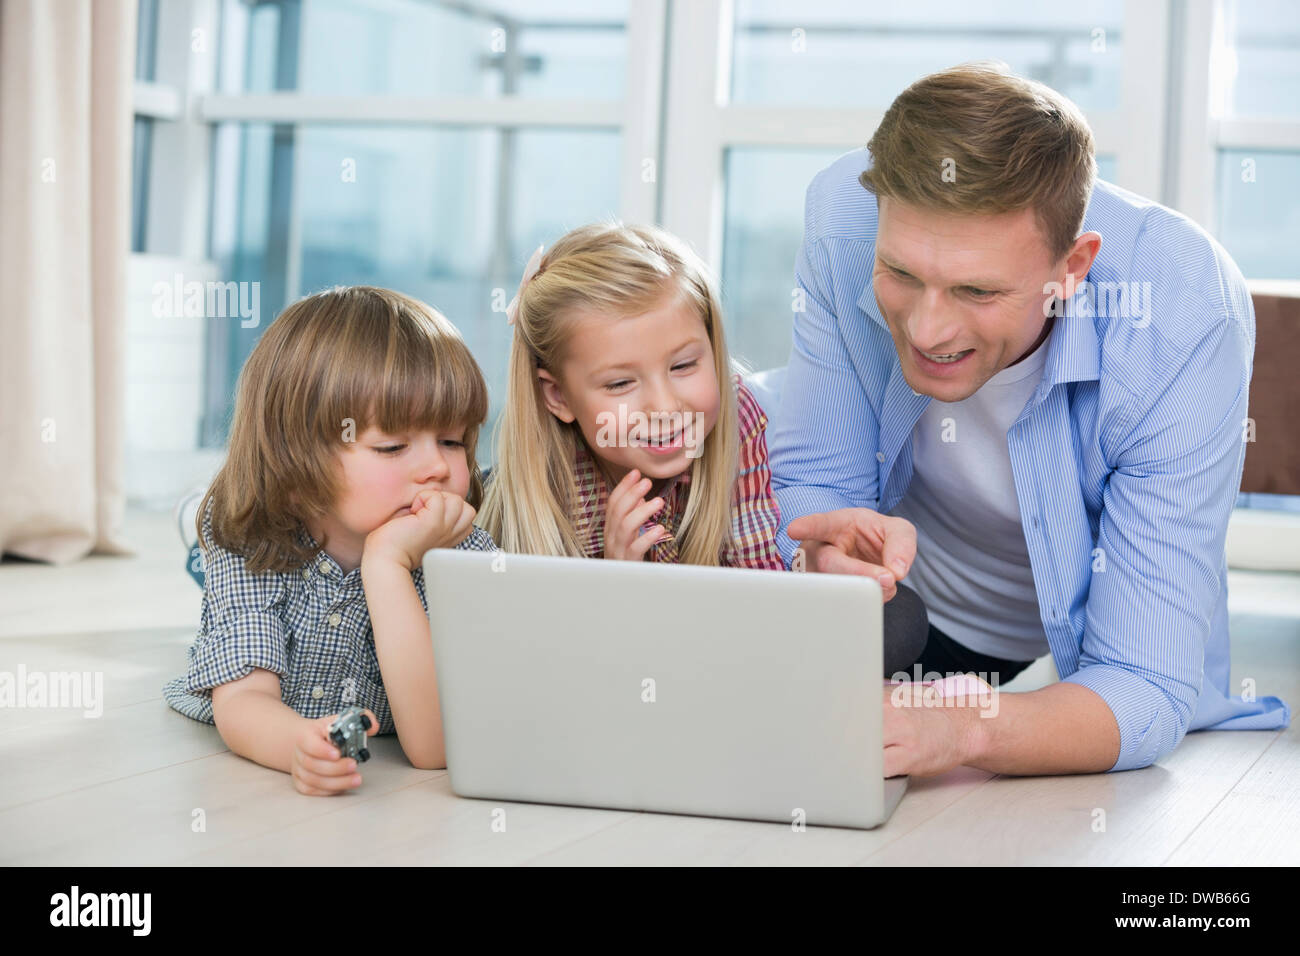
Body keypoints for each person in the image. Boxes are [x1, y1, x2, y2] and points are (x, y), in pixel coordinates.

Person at [769, 62, 1290, 778]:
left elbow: (1141, 683)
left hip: (1084, 631)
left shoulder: (1183, 309)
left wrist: (968, 732)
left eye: (976, 289)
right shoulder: (843, 215)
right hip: (920, 613)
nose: (925, 330)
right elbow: (812, 487)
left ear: (1072, 268)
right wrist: (817, 559)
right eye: (902, 274)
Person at [480, 222, 932, 673]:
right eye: (620, 383)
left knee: (896, 617)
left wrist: (806, 569)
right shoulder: (549, 479)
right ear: (558, 397)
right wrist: (617, 581)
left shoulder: (736, 423)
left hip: (701, 636)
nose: (663, 406)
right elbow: (554, 660)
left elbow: (757, 585)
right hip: (604, 653)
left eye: (683, 365)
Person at [162, 286, 498, 794]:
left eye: (452, 441)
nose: (436, 468)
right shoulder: (249, 540)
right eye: (392, 446)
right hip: (280, 535)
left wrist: (388, 564)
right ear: (296, 461)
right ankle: (194, 516)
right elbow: (242, 701)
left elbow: (434, 748)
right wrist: (297, 741)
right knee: (212, 536)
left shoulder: (462, 550)